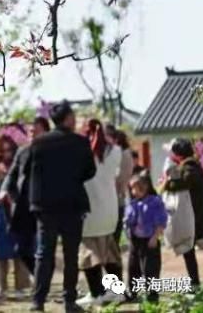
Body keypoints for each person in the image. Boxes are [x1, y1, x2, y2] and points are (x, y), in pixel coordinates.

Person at [21, 100, 96, 313]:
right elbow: (90, 171)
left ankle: (38, 301)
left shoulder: (38, 143)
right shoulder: (80, 143)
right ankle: (69, 301)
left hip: (45, 206)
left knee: (44, 254)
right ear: (69, 118)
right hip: (72, 204)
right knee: (71, 255)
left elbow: (28, 170)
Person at [77, 120, 124, 307]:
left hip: (90, 211)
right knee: (110, 253)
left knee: (89, 255)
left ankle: (96, 293)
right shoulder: (115, 151)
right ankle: (117, 291)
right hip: (110, 209)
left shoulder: (82, 153)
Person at [0, 116, 51, 276]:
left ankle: (44, 282)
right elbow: (12, 174)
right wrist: (4, 189)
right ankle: (40, 276)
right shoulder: (22, 151)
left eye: (36, 130)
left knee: (44, 247)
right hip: (23, 206)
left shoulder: (52, 151)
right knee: (21, 248)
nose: (32, 133)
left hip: (46, 206)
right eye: (30, 131)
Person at [159, 138, 203, 290]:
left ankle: (194, 284)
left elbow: (178, 184)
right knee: (188, 252)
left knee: (188, 250)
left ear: (178, 154)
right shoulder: (191, 166)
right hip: (192, 216)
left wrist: (167, 181)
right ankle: (194, 283)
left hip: (193, 218)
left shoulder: (190, 169)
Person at [0, 133, 30, 299]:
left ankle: (21, 286)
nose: (7, 153)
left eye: (10, 149)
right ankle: (0, 288)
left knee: (19, 249)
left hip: (17, 211)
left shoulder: (19, 164)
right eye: (3, 150)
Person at [124, 172, 167, 303]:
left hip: (150, 240)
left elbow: (161, 222)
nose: (133, 191)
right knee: (133, 267)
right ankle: (132, 292)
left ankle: (152, 295)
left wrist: (155, 237)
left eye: (135, 188)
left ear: (145, 187)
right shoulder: (133, 203)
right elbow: (128, 221)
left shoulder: (155, 202)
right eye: (131, 188)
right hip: (135, 241)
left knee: (150, 269)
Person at [105, 127, 135, 246]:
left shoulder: (120, 155)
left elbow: (118, 179)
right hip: (120, 198)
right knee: (114, 239)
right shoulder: (126, 154)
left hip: (115, 199)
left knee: (112, 239)